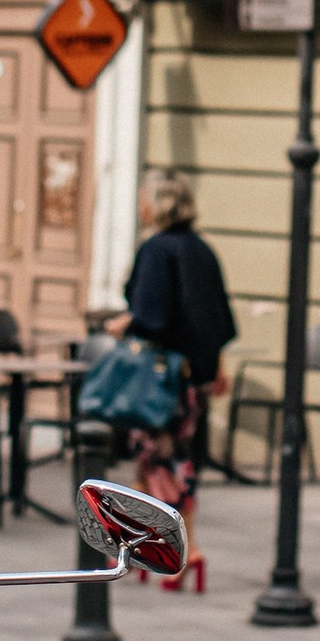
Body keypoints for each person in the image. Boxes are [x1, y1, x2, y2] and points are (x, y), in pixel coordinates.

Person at [110, 170, 235, 518]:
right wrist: (219, 366)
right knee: (182, 456)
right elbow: (217, 316)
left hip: (160, 381)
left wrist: (125, 322)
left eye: (142, 200)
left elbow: (153, 317)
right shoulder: (202, 250)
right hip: (195, 377)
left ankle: (166, 549)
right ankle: (184, 549)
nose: (139, 207)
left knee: (158, 461)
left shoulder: (156, 250)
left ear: (154, 204)